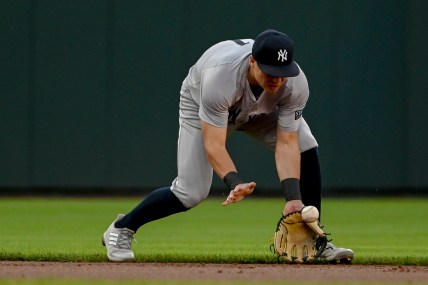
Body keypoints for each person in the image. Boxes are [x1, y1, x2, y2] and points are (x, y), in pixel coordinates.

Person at [102, 29, 354, 262]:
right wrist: (233, 181)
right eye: (269, 71)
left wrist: (293, 199)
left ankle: (314, 240)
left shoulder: (295, 83)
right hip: (200, 103)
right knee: (190, 192)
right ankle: (123, 227)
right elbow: (214, 143)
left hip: (262, 112)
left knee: (305, 145)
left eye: (282, 72)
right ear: (253, 61)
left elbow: (287, 143)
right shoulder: (220, 77)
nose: (277, 78)